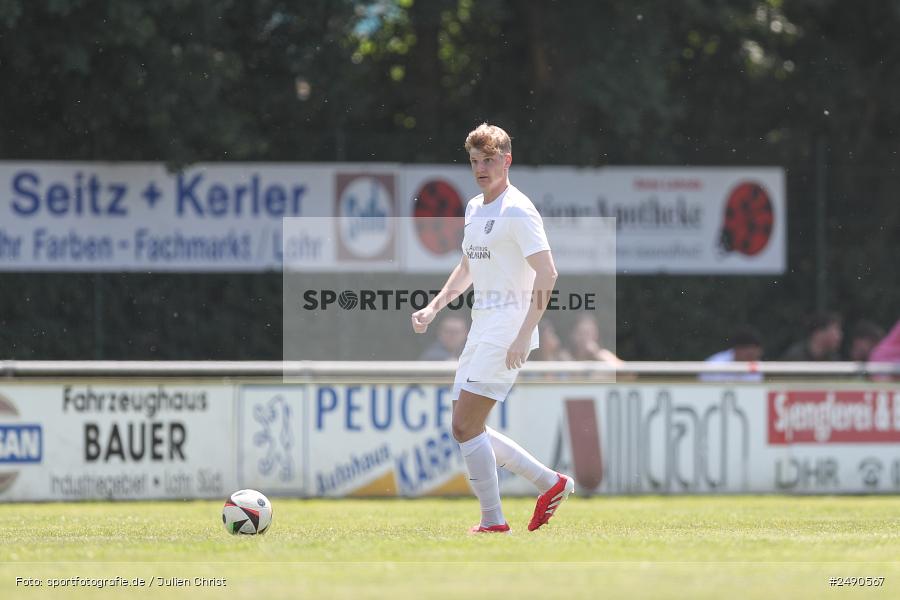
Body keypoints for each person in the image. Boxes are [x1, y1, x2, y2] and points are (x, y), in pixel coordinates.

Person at [411, 123, 574, 534]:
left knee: (465, 426)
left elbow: (548, 273)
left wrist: (523, 334)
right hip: (481, 325)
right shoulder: (473, 208)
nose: (481, 168)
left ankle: (493, 522)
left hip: (507, 329)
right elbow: (467, 267)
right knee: (467, 427)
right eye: (474, 161)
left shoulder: (518, 209)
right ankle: (549, 483)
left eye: (488, 160)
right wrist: (433, 307)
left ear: (507, 160)